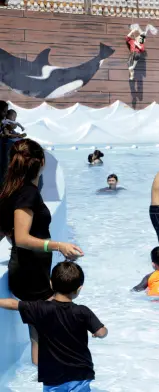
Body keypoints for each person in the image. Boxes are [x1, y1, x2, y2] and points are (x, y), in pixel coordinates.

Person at [0, 139, 84, 365]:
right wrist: (59, 245)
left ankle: (44, 379)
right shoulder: (27, 193)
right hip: (29, 273)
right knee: (46, 333)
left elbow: (8, 231)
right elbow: (22, 237)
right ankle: (51, 379)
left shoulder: (12, 190)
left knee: (41, 333)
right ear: (42, 163)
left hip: (32, 270)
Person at [0, 262, 107, 391]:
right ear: (79, 289)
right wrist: (100, 332)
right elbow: (101, 332)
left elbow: (13, 304)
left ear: (51, 284)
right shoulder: (83, 311)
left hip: (53, 376)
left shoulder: (40, 308)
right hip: (81, 373)